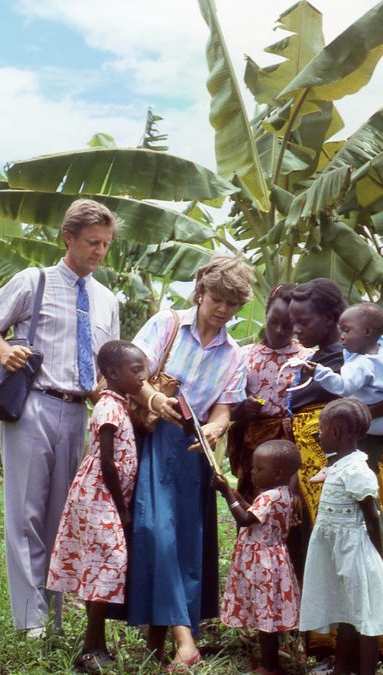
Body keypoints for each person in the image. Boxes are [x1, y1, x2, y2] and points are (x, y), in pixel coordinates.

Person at [0, 198, 120, 635]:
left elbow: (106, 361)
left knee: (61, 520)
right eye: (92, 242)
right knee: (25, 515)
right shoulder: (32, 281)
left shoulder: (106, 299)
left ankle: (53, 622)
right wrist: (3, 350)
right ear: (67, 238)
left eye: (106, 244)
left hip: (78, 413)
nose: (99, 252)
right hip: (32, 404)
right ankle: (30, 623)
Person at [285, 278, 383, 663]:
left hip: (355, 456)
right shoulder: (319, 355)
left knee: (362, 549)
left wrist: (356, 421)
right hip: (321, 463)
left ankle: (380, 644)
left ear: (333, 319)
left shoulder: (361, 352)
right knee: (328, 554)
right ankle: (333, 651)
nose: (297, 330)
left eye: (304, 321)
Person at [125, 254, 252, 667]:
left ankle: (160, 643)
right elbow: (132, 372)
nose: (222, 309)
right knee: (153, 530)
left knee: (183, 542)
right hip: (150, 435)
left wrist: (216, 428)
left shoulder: (235, 354)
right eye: (217, 298)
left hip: (193, 448)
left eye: (232, 304)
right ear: (201, 292)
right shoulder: (167, 324)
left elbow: (225, 409)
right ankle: (185, 640)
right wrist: (154, 398)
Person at [46, 340, 147, 671]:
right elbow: (106, 462)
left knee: (104, 566)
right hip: (100, 497)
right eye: (136, 371)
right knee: (110, 564)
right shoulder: (107, 407)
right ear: (113, 374)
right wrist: (123, 508)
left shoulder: (120, 403)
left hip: (105, 498)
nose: (143, 377)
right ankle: (90, 648)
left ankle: (96, 643)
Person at [299, 399, 383, 675]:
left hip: (355, 552)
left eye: (320, 431)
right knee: (347, 612)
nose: (318, 436)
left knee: (365, 616)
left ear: (334, 432)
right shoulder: (338, 466)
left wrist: (378, 553)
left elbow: (372, 516)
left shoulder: (357, 470)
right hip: (335, 549)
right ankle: (341, 670)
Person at [304, 302, 383, 521]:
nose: (341, 337)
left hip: (369, 421)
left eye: (346, 330)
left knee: (330, 422)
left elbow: (343, 386)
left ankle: (331, 464)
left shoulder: (360, 364)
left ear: (366, 332)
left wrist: (319, 372)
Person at [213, 439, 303, 675]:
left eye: (259, 468)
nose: (252, 472)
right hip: (274, 560)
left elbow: (244, 519)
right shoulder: (283, 494)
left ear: (278, 473)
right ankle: (271, 662)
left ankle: (270, 666)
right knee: (269, 616)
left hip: (261, 564)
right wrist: (234, 496)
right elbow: (253, 512)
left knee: (266, 620)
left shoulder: (268, 497)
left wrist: (225, 492)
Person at [228, 283, 311, 504]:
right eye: (273, 321)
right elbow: (226, 408)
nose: (279, 331)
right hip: (254, 448)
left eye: (288, 325)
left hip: (293, 449)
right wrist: (243, 408)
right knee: (251, 505)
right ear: (265, 314)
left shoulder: (309, 358)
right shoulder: (243, 356)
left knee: (289, 509)